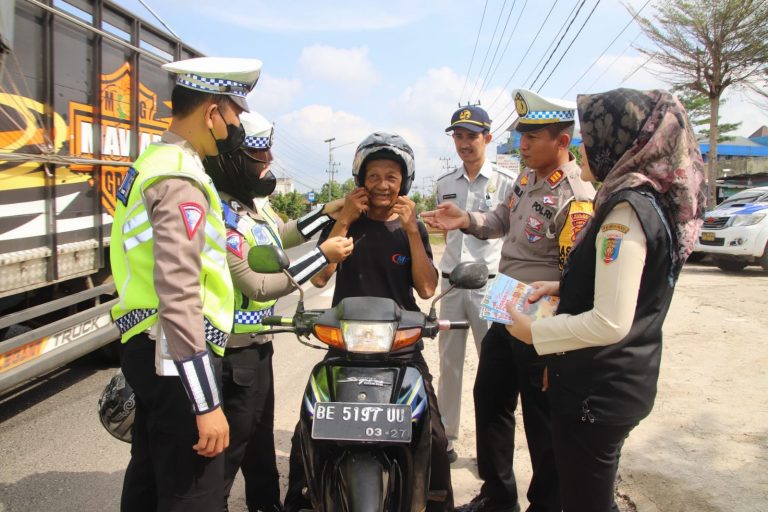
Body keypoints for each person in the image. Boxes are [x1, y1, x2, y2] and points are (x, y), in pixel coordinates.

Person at [505, 89, 706, 512]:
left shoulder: (625, 210)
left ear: (623, 141)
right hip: (608, 380)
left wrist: (535, 332)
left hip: (599, 390)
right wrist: (562, 287)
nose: (583, 146)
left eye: (591, 134)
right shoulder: (649, 199)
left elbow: (611, 320)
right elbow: (631, 282)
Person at [422, 89, 595, 512]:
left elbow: (578, 273)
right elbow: (501, 221)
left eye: (532, 137)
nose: (523, 145)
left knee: (539, 414)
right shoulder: (525, 178)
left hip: (541, 312)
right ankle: (498, 495)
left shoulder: (576, 192)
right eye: (521, 136)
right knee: (490, 396)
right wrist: (466, 219)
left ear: (562, 141)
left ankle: (546, 503)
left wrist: (564, 341)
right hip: (505, 299)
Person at [110, 57, 260, 511]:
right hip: (174, 357)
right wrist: (205, 402)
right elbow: (179, 292)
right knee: (194, 494)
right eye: (234, 116)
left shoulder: (152, 162)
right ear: (212, 112)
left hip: (152, 348)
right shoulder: (181, 177)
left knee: (150, 483)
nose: (236, 128)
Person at [284, 132, 453, 512]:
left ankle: (435, 501)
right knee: (305, 433)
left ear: (403, 183)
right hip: (344, 348)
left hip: (401, 349)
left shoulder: (412, 229)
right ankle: (300, 500)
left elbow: (427, 289)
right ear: (361, 181)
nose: (382, 185)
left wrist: (412, 230)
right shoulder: (349, 225)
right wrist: (342, 220)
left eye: (391, 177)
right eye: (373, 176)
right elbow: (320, 278)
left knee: (436, 437)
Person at [204, 111, 354, 512]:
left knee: (259, 448)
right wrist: (321, 256)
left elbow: (279, 236)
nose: (268, 157)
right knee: (227, 456)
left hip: (259, 346)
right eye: (258, 152)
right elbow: (258, 282)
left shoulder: (252, 205)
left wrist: (326, 211)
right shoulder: (218, 213)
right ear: (231, 158)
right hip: (233, 352)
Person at [436, 105, 517, 463]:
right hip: (452, 285)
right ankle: (446, 439)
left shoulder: (508, 183)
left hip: (493, 284)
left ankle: (493, 448)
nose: (464, 143)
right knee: (449, 365)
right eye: (458, 136)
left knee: (496, 370)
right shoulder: (444, 184)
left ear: (488, 137)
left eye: (471, 135)